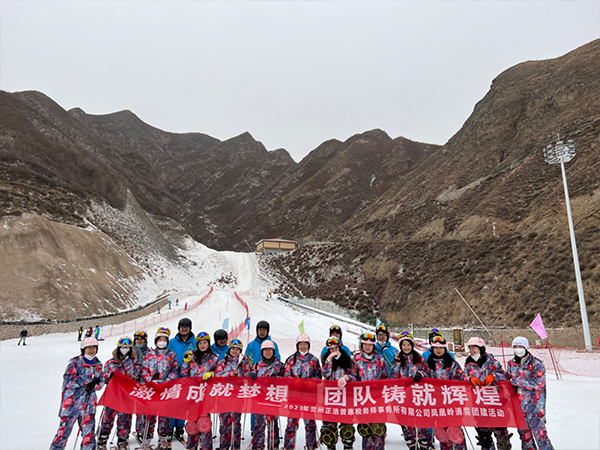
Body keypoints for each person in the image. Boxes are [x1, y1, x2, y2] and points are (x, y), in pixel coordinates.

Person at [49, 338, 103, 450]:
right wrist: (86, 380)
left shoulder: (98, 364)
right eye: (89, 348)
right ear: (83, 349)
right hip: (72, 405)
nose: (92, 350)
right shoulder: (74, 363)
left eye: (94, 348)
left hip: (88, 405)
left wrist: (96, 384)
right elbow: (68, 381)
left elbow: (100, 382)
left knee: (88, 435)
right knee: (63, 434)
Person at [464, 337, 512, 450]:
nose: (471, 350)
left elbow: (504, 376)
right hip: (479, 402)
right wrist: (469, 378)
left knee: (501, 433)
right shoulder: (468, 363)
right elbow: (463, 377)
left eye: (474, 348)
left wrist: (494, 376)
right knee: (483, 435)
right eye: (470, 348)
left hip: (495, 401)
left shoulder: (492, 362)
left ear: (481, 348)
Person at [507, 337, 554, 450]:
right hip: (519, 408)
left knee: (541, 437)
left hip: (535, 407)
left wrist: (517, 381)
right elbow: (508, 381)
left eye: (520, 347)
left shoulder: (536, 363)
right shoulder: (511, 364)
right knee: (525, 438)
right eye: (515, 347)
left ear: (526, 347)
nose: (518, 349)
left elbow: (539, 382)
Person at [421, 336, 466, 450]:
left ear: (445, 349)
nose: (438, 350)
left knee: (454, 430)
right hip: (436, 403)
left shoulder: (452, 363)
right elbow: (424, 374)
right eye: (435, 347)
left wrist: (450, 388)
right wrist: (420, 375)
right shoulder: (428, 363)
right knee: (442, 432)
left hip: (451, 401)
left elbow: (460, 377)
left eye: (440, 347)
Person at [97, 336, 142, 450]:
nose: (124, 349)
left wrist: (127, 362)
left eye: (127, 348)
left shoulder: (134, 363)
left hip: (126, 397)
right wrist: (109, 376)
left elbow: (135, 376)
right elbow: (103, 377)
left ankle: (122, 441)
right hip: (113, 396)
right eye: (122, 347)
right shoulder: (111, 362)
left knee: (124, 420)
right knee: (107, 418)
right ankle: (102, 441)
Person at [390, 331, 433, 450]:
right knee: (407, 426)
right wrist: (397, 363)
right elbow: (393, 376)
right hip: (404, 398)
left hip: (419, 397)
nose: (406, 347)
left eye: (408, 344)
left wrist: (421, 373)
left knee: (422, 425)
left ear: (412, 345)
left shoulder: (420, 359)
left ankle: (425, 446)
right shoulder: (398, 359)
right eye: (403, 345)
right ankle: (412, 445)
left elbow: (428, 373)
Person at [139, 327, 179, 450]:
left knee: (164, 416)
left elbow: (175, 370)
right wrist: (149, 380)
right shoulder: (149, 355)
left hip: (164, 389)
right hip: (151, 389)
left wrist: (168, 380)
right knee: (148, 416)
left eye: (164, 339)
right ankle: (146, 440)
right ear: (156, 340)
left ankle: (163, 440)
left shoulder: (171, 355)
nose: (162, 341)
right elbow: (143, 370)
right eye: (159, 339)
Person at [348, 332, 389, 450]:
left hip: (377, 399)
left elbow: (386, 377)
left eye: (369, 345)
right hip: (363, 399)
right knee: (366, 430)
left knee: (378, 429)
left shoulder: (380, 359)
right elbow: (353, 375)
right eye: (365, 344)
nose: (367, 347)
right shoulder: (357, 359)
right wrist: (346, 379)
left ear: (373, 345)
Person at [180, 332, 220, 450]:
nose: (202, 345)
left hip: (206, 394)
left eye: (205, 343)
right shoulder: (192, 357)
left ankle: (206, 447)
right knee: (192, 422)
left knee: (204, 422)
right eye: (200, 343)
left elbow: (219, 373)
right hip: (193, 393)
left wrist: (212, 374)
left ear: (208, 343)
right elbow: (183, 374)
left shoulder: (214, 358)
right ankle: (192, 446)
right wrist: (186, 361)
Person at [282, 335, 322, 450]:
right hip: (294, 397)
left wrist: (312, 382)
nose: (303, 347)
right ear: (297, 345)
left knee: (310, 423)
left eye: (305, 344)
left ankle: (311, 445)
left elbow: (319, 376)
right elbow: (286, 376)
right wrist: (294, 382)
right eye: (301, 344)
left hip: (309, 398)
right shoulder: (291, 359)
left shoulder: (314, 360)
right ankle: (288, 446)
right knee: (291, 424)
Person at [214, 339, 251, 450]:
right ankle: (224, 446)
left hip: (237, 397)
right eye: (233, 349)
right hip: (224, 397)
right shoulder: (223, 362)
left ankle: (236, 446)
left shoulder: (244, 362)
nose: (235, 351)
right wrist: (229, 374)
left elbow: (247, 377)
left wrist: (244, 368)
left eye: (237, 349)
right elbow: (217, 376)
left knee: (235, 424)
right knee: (225, 424)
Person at [321, 337, 356, 450]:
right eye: (331, 349)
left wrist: (346, 377)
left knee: (347, 429)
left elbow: (355, 376)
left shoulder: (347, 360)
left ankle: (348, 446)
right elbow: (325, 374)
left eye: (335, 348)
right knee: (330, 429)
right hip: (331, 398)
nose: (334, 351)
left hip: (346, 398)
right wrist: (328, 361)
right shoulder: (327, 360)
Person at [249, 341, 283, 450]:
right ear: (262, 352)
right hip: (259, 399)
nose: (268, 352)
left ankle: (273, 445)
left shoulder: (279, 365)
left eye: (270, 350)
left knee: (273, 424)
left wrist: (277, 379)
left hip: (273, 399)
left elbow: (287, 380)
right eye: (265, 350)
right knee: (259, 424)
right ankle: (258, 446)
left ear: (273, 351)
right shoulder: (256, 366)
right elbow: (247, 380)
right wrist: (251, 376)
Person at [167, 318, 196, 442]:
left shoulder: (194, 342)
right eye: (182, 326)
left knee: (183, 402)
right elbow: (166, 355)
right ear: (178, 328)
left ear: (190, 328)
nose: (184, 329)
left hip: (187, 376)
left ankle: (179, 426)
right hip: (173, 375)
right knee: (172, 401)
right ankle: (169, 426)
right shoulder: (173, 342)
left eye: (186, 326)